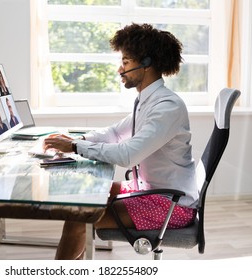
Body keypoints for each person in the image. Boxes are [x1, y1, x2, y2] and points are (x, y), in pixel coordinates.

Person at [43, 23, 199, 260]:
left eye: (125, 62)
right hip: (150, 191)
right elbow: (115, 133)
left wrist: (75, 147)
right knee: (81, 202)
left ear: (145, 64)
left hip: (171, 205)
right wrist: (77, 139)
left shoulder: (167, 107)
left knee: (79, 217)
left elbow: (128, 155)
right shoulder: (148, 101)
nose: (120, 69)